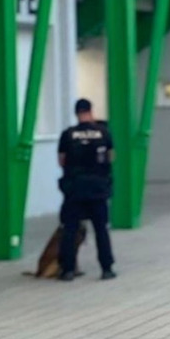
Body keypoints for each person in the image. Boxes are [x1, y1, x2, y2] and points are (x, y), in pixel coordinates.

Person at [57, 99, 116, 281]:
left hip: (75, 188)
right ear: (91, 111)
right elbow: (111, 158)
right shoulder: (104, 133)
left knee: (70, 229)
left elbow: (61, 160)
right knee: (101, 229)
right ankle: (106, 268)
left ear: (76, 113)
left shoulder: (68, 134)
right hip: (97, 188)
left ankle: (67, 270)